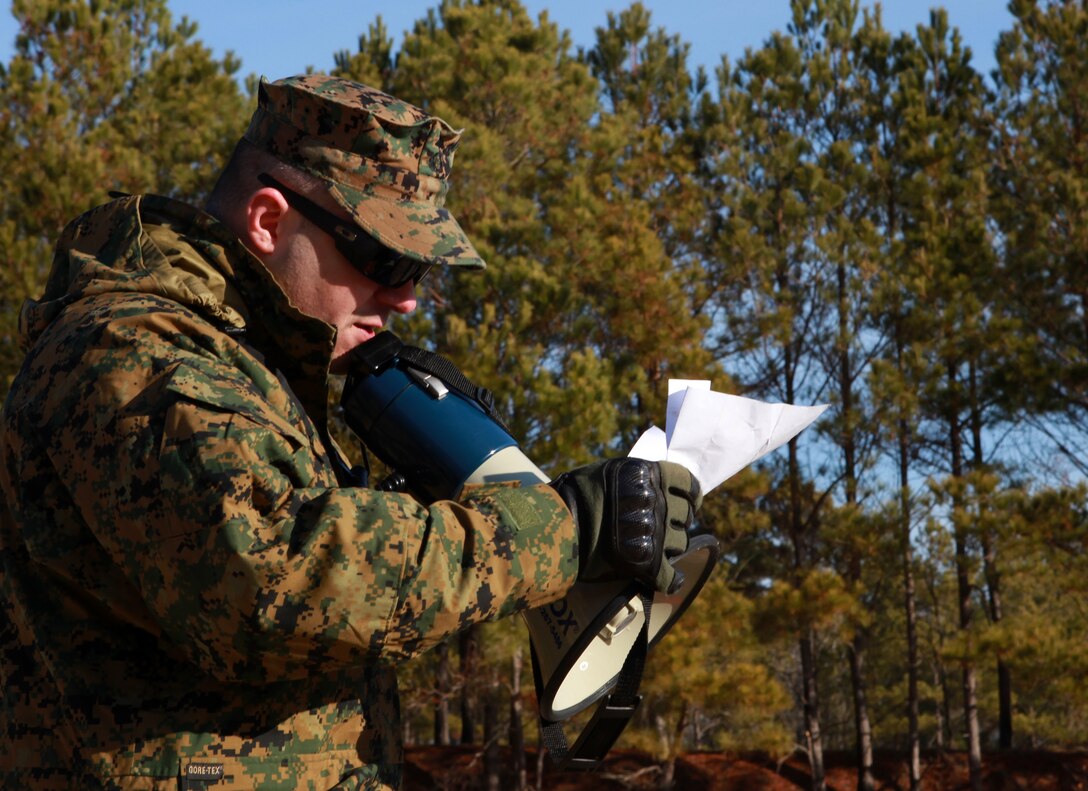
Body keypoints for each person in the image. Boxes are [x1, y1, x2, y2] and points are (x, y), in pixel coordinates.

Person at [0, 74, 701, 790]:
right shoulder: (131, 353)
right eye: (382, 258)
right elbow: (273, 578)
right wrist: (560, 528)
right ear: (268, 220)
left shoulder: (254, 373)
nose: (405, 296)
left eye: (418, 269)